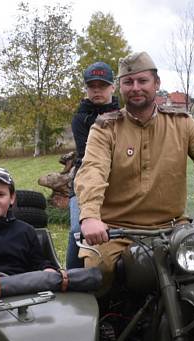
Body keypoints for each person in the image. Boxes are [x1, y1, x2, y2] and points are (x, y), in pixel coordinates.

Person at [75, 51, 194, 286]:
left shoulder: (181, 123)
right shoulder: (105, 128)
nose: (135, 88)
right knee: (98, 273)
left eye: (143, 81)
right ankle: (108, 323)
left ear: (157, 83)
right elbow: (92, 171)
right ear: (120, 87)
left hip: (172, 226)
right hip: (116, 230)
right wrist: (90, 216)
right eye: (128, 82)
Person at [65, 61, 121, 269]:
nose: (97, 90)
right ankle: (69, 276)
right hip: (84, 179)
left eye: (102, 86)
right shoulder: (81, 118)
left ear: (112, 88)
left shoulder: (125, 116)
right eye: (92, 86)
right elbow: (88, 156)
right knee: (76, 230)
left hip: (118, 180)